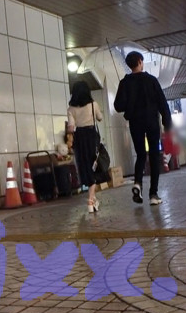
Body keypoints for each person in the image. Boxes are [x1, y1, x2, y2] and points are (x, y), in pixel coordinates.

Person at [114, 51, 172, 206]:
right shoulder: (151, 80)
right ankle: (153, 194)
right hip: (152, 121)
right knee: (153, 155)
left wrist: (128, 102)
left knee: (140, 154)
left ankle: (138, 183)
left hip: (135, 123)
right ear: (140, 61)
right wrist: (167, 123)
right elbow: (162, 103)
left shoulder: (125, 83)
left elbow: (118, 106)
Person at [67, 81, 104, 212]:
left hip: (79, 138)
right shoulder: (93, 104)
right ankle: (90, 200)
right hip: (91, 136)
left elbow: (70, 128)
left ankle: (93, 199)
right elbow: (100, 118)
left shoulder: (71, 109)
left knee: (85, 166)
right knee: (93, 166)